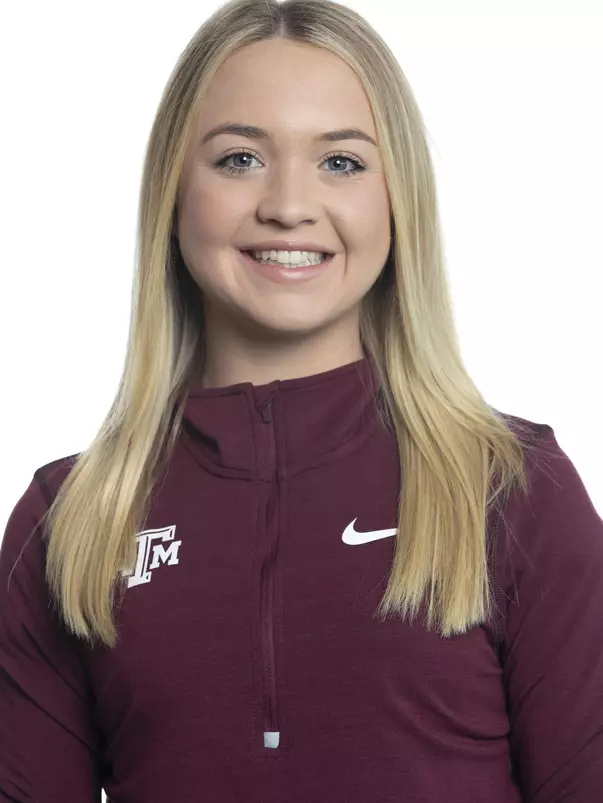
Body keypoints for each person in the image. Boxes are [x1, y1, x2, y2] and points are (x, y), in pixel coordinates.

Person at [1, 0, 602, 800]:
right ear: (174, 192)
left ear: (398, 201)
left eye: (342, 162)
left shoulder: (510, 488)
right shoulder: (69, 520)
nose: (289, 203)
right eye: (240, 158)